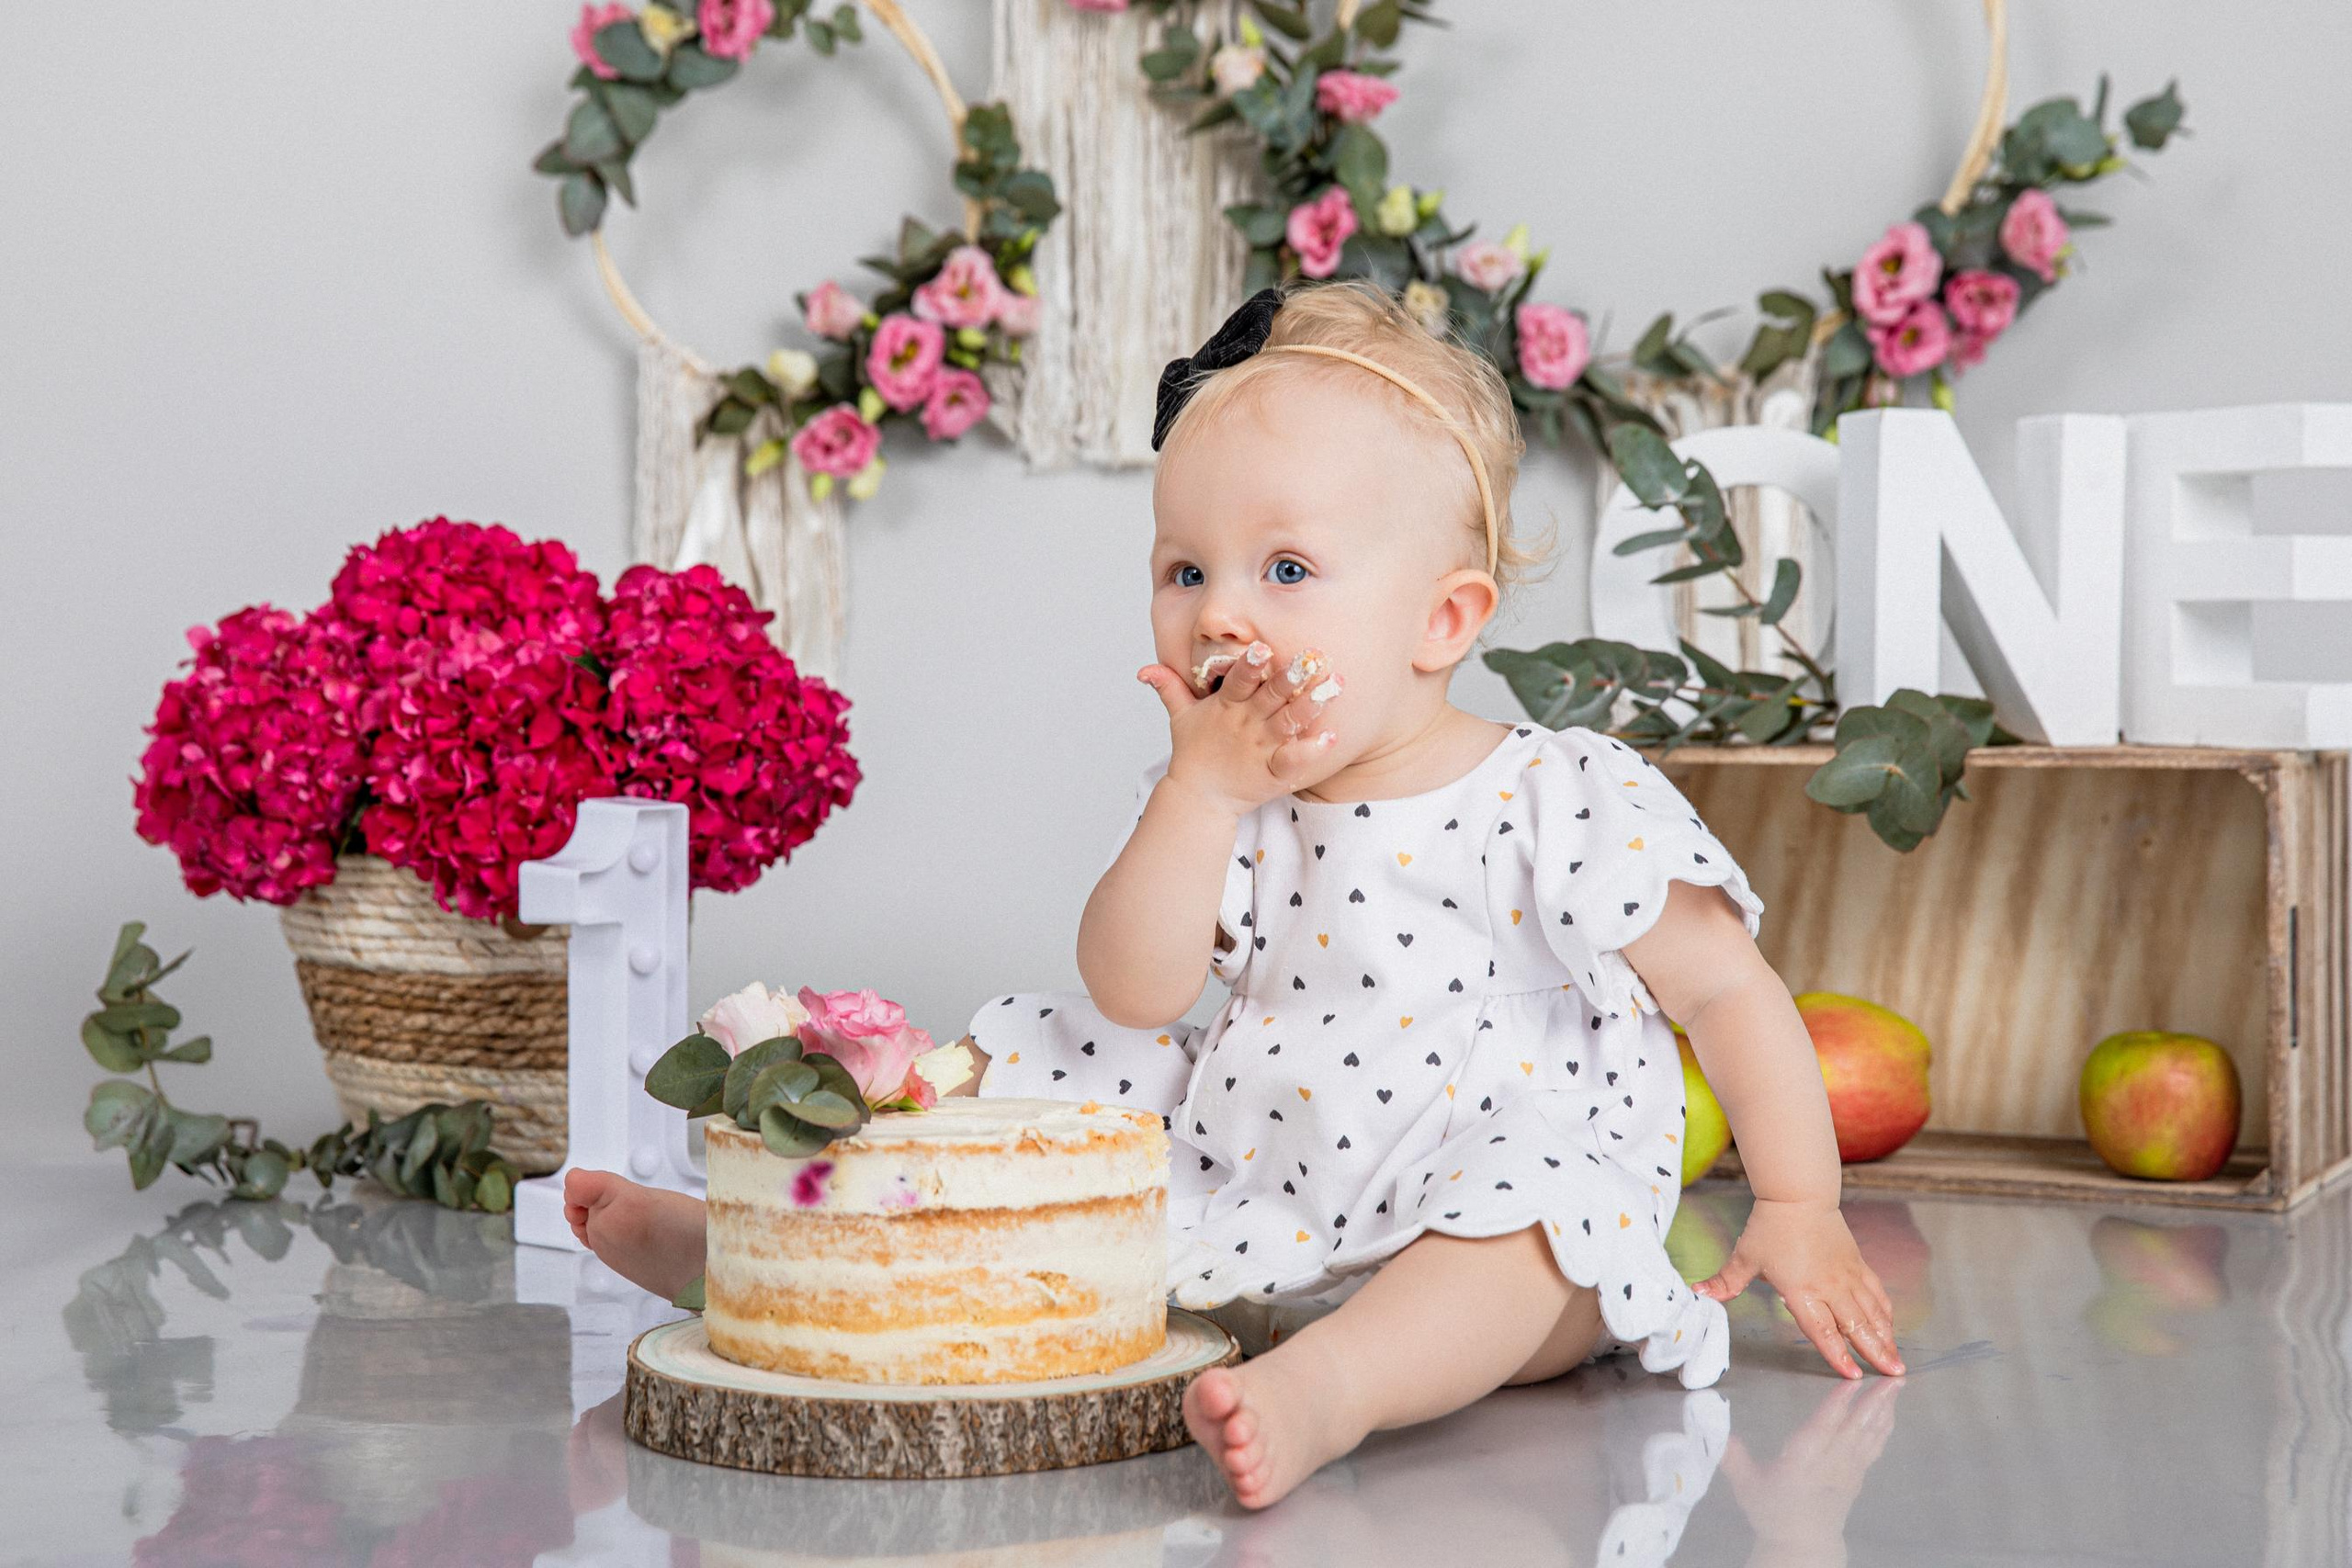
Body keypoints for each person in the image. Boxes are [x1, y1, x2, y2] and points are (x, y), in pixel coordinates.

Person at [567, 278, 1902, 1512]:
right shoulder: (1230, 803)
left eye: (1286, 572)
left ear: (1442, 621)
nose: (1219, 616)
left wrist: (1799, 1206)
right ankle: (781, 1260)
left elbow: (1725, 987)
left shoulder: (1560, 795)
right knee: (1048, 1048)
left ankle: (1331, 1391)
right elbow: (1133, 989)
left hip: (1488, 1199)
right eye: (1185, 571)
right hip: (1253, 1173)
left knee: (1535, 1217)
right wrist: (1197, 797)